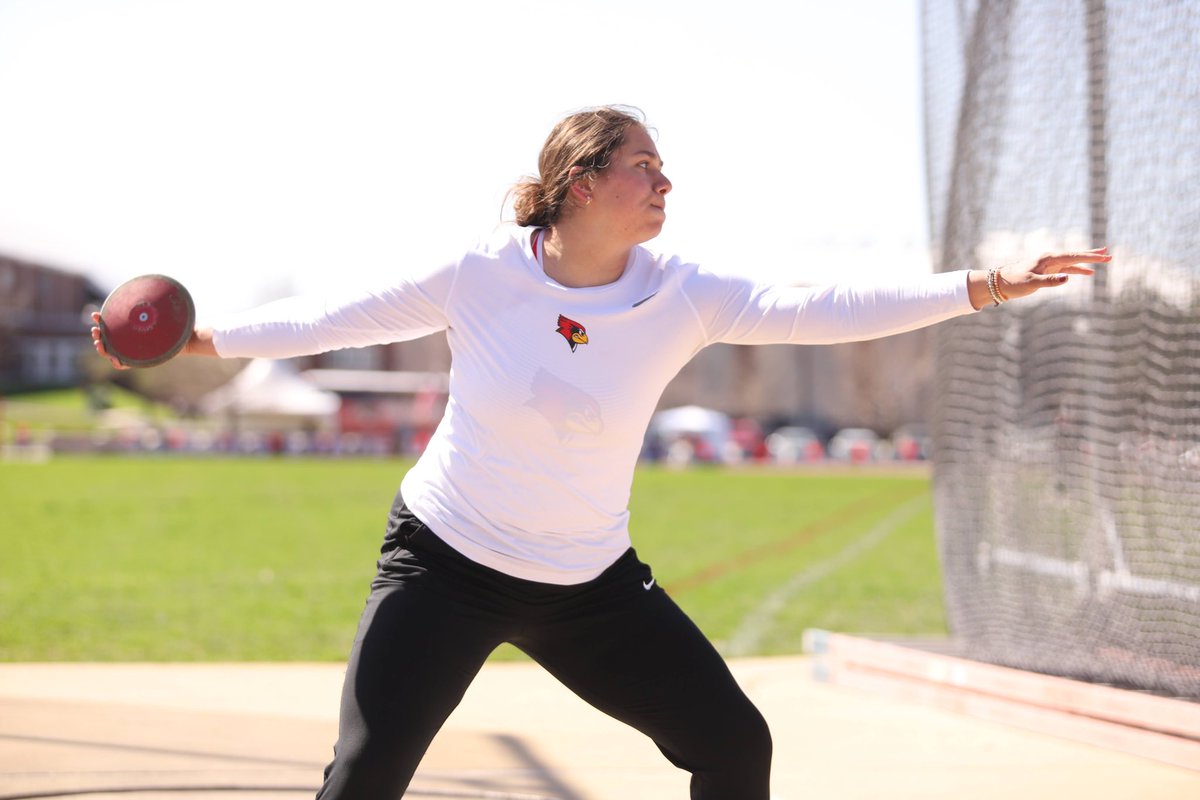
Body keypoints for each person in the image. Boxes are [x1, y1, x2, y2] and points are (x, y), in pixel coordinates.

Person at [91, 105, 1109, 799]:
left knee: (733, 743)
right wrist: (202, 336)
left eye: (666, 170)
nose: (666, 181)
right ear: (579, 182)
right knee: (361, 777)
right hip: (443, 564)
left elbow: (826, 306)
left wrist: (978, 283)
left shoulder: (684, 292)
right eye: (644, 166)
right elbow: (329, 315)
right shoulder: (480, 271)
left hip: (589, 586)